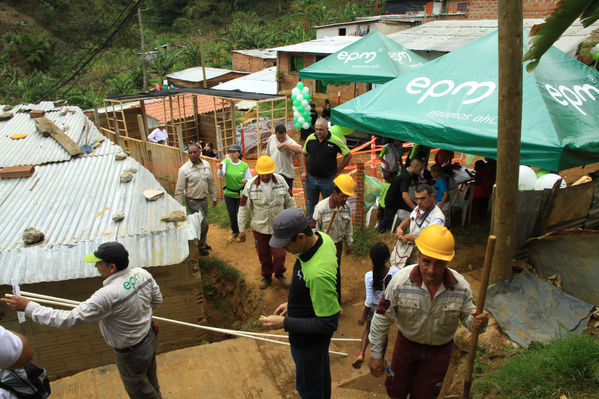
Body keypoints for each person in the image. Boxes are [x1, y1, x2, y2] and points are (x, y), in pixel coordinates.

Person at [1, 242, 163, 399]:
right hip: (149, 337)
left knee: (140, 393)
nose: (96, 267)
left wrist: (29, 307)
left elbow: (68, 320)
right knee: (150, 379)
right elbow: (157, 301)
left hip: (130, 352)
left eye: (98, 263)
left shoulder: (107, 295)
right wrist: (140, 317)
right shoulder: (142, 274)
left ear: (111, 267)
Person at [368, 225, 489, 399]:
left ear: (447, 262)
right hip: (406, 348)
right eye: (426, 262)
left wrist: (478, 322)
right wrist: (376, 355)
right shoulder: (400, 282)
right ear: (418, 256)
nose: (432, 270)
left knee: (425, 394)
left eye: (439, 263)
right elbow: (381, 319)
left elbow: (470, 319)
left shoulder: (460, 288)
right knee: (396, 391)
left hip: (439, 353)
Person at [260, 208, 340, 399]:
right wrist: (292, 304)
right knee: (320, 380)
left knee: (309, 390)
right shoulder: (321, 238)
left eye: (285, 244)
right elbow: (307, 282)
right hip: (313, 340)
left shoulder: (318, 274)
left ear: (301, 236)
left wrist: (284, 323)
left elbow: (328, 323)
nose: (283, 249)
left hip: (308, 344)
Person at [238, 155, 296, 289]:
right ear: (258, 172)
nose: (265, 176)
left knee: (280, 254)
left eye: (268, 173)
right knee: (263, 254)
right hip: (260, 227)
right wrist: (241, 230)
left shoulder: (281, 181)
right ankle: (267, 276)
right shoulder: (250, 185)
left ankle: (280, 274)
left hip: (279, 227)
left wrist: (293, 222)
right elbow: (243, 208)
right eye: (262, 174)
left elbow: (290, 201)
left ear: (272, 171)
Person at [352, 242, 399, 369]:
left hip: (373, 308)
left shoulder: (369, 276)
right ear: (387, 258)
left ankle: (361, 353)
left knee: (368, 329)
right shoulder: (395, 272)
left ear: (371, 258)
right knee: (383, 334)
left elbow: (369, 299)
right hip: (386, 309)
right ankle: (380, 359)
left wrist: (363, 316)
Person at [310, 174, 354, 304]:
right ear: (335, 193)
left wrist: (349, 243)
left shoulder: (346, 209)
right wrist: (317, 246)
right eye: (343, 196)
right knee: (322, 274)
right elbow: (313, 229)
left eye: (347, 196)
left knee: (335, 273)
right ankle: (320, 301)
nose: (346, 199)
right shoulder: (321, 207)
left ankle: (336, 302)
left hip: (337, 246)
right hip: (322, 247)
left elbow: (348, 227)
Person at [302, 118, 352, 220]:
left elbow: (348, 154)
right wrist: (304, 171)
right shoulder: (310, 138)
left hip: (327, 180)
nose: (318, 132)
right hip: (311, 179)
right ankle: (311, 226)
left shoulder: (335, 140)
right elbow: (304, 154)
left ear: (327, 129)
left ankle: (327, 224)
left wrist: (339, 170)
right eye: (316, 129)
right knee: (311, 203)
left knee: (329, 203)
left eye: (321, 129)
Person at [174, 144, 217, 256]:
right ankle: (200, 246)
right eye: (190, 153)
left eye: (194, 152)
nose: (192, 155)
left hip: (204, 199)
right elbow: (179, 190)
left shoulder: (206, 165)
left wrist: (213, 197)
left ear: (199, 152)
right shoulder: (184, 170)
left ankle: (202, 241)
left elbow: (211, 182)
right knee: (204, 224)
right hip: (192, 201)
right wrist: (178, 207)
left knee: (201, 223)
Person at [392, 184, 445, 268]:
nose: (419, 202)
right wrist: (400, 227)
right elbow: (410, 219)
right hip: (409, 253)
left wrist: (411, 237)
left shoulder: (437, 219)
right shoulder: (420, 207)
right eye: (417, 199)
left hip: (423, 260)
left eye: (423, 198)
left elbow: (430, 242)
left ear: (432, 197)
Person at [217, 143, 252, 242]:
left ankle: (241, 231)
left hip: (240, 193)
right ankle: (235, 231)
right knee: (231, 213)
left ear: (238, 153)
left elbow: (249, 179)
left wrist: (246, 181)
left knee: (240, 212)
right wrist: (220, 169)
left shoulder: (244, 165)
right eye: (230, 152)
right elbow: (220, 175)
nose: (231, 154)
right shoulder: (225, 162)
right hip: (228, 193)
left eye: (233, 152)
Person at [377, 158, 423, 233]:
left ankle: (417, 227)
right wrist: (415, 208)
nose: (421, 170)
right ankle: (378, 232)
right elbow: (405, 195)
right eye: (420, 168)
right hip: (392, 200)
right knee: (387, 221)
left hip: (398, 200)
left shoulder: (405, 171)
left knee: (415, 208)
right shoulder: (406, 177)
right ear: (415, 167)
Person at [265, 124, 302, 190]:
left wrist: (285, 144)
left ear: (285, 133)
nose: (281, 139)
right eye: (279, 138)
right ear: (275, 134)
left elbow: (300, 150)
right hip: (274, 174)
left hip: (286, 175)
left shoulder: (290, 141)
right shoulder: (271, 138)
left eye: (283, 137)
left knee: (287, 197)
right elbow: (267, 154)